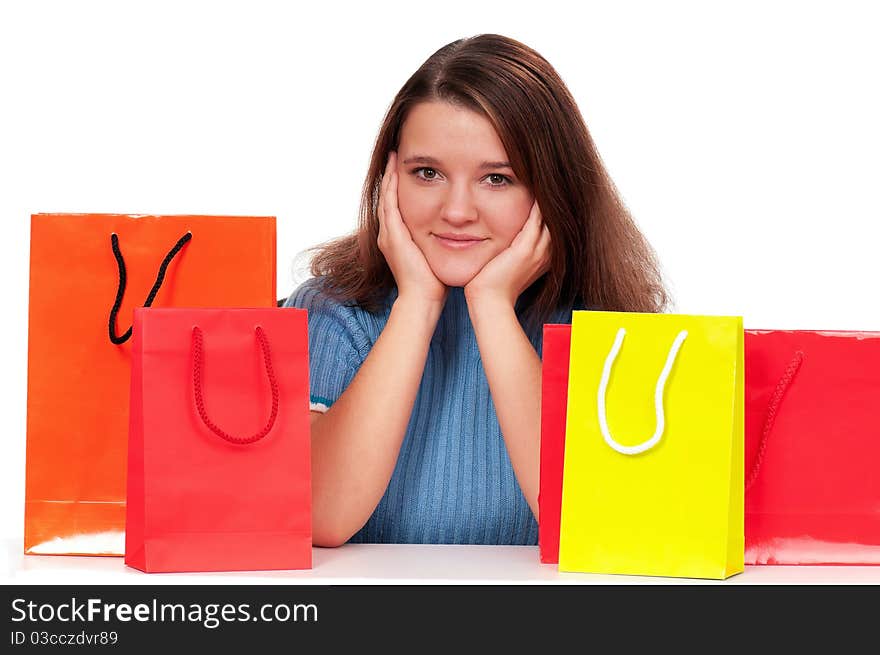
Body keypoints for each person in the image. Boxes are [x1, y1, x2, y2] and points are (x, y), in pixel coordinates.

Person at [284, 34, 668, 547]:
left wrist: (492, 307)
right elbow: (318, 517)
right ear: (389, 180)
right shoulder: (335, 313)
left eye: (497, 179)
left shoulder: (605, 327)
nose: (458, 211)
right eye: (427, 173)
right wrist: (416, 304)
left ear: (550, 189)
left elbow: (600, 527)